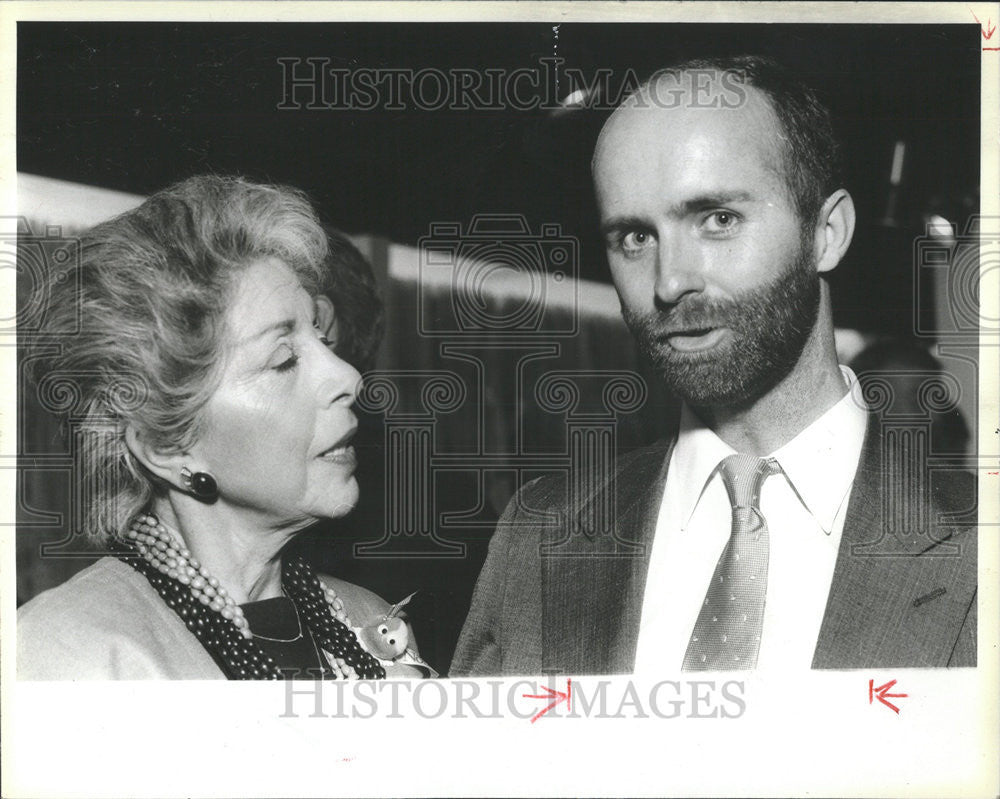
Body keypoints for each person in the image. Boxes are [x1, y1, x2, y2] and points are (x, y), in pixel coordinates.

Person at [451, 55, 977, 674]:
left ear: (826, 233)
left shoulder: (979, 545)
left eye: (718, 220)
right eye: (635, 238)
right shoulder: (539, 533)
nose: (670, 282)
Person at [17, 175, 434, 679]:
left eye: (324, 341)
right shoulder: (67, 656)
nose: (347, 376)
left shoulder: (370, 619)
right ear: (169, 447)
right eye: (283, 360)